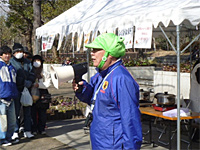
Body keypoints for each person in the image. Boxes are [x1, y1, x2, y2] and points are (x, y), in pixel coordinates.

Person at [72, 33, 142, 150]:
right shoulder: (100, 75)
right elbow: (94, 99)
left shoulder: (121, 79)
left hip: (113, 145)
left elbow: (130, 119)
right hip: (100, 141)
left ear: (110, 54)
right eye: (92, 50)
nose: (92, 53)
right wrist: (82, 89)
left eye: (96, 50)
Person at [10, 43, 35, 142]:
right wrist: (22, 81)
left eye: (21, 51)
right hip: (16, 89)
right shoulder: (11, 62)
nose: (20, 53)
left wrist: (30, 81)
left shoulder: (27, 62)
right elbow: (12, 75)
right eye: (17, 52)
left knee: (27, 110)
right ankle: (15, 131)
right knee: (15, 112)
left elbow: (32, 73)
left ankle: (27, 130)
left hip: (27, 90)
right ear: (14, 53)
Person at [0, 46, 19, 146]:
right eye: (5, 54)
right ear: (1, 55)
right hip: (1, 97)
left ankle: (9, 137)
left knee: (12, 120)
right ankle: (2, 139)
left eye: (9, 54)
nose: (7, 56)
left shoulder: (12, 67)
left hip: (11, 97)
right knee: (2, 121)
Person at [31, 55, 51, 135]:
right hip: (33, 94)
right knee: (33, 113)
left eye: (38, 61)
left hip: (43, 94)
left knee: (42, 113)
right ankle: (34, 128)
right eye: (35, 61)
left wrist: (39, 85)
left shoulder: (45, 73)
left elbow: (48, 83)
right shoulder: (30, 72)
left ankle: (41, 128)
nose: (37, 63)